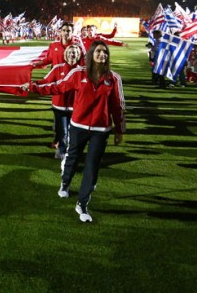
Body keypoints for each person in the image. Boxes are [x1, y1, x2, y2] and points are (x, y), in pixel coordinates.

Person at [22, 41, 125, 223]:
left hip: (101, 130)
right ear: (91, 54)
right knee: (72, 157)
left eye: (105, 52)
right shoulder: (78, 74)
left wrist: (119, 130)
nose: (103, 55)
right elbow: (57, 86)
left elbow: (117, 106)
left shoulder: (114, 79)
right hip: (78, 126)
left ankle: (82, 204)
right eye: (99, 51)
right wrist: (32, 87)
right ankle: (65, 182)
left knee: (92, 167)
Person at [28, 44, 83, 159]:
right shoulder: (58, 68)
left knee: (74, 133)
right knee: (62, 132)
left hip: (76, 108)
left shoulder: (83, 71)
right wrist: (31, 84)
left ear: (79, 55)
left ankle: (72, 152)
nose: (72, 55)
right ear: (65, 54)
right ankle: (62, 152)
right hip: (59, 107)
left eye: (74, 53)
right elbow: (45, 81)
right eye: (69, 52)